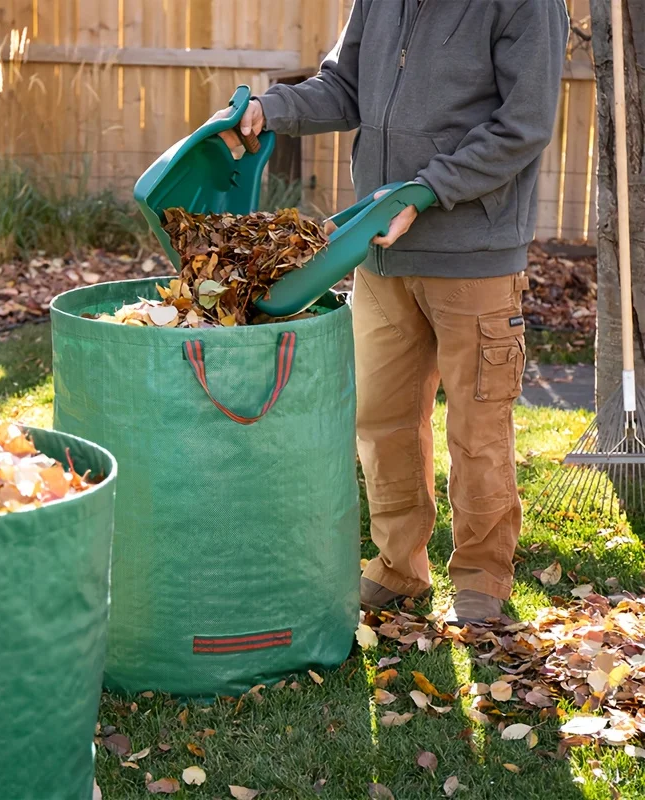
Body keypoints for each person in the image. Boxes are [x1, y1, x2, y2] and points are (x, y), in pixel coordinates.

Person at [216, 0, 569, 624]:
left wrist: (426, 190)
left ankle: (481, 579)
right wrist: (271, 109)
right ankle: (397, 567)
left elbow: (525, 123)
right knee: (383, 421)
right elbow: (344, 86)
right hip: (379, 250)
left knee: (478, 427)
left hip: (474, 254)